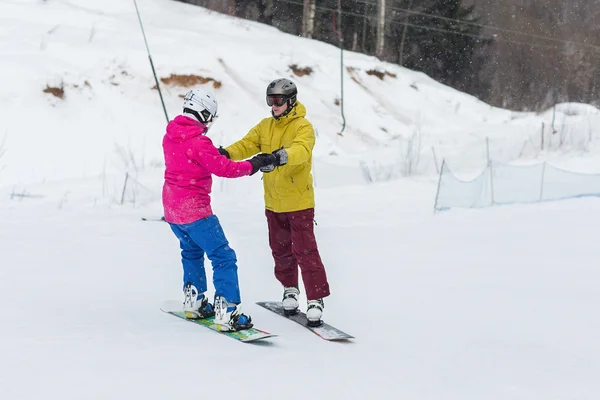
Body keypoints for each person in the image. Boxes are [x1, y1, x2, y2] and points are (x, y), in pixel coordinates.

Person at [162, 88, 275, 332]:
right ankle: (228, 310)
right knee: (223, 256)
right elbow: (226, 169)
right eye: (210, 117)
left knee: (191, 251)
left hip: (173, 210)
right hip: (195, 211)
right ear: (203, 113)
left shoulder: (170, 135)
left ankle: (195, 301)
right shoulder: (199, 141)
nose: (210, 123)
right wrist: (255, 163)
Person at [219, 78, 330, 327]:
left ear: (290, 101)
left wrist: (278, 156)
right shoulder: (266, 125)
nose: (274, 105)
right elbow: (247, 144)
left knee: (306, 251)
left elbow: (301, 151)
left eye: (278, 100)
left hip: (298, 202)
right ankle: (290, 289)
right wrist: (225, 153)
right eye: (270, 100)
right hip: (273, 202)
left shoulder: (303, 127)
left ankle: (316, 299)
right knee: (280, 250)